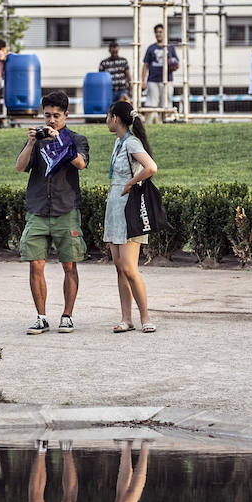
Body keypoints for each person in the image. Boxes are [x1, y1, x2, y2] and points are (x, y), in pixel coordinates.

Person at [15, 89, 90, 335]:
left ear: (66, 115)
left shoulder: (76, 139)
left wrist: (59, 141)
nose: (51, 121)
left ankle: (67, 316)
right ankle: (41, 317)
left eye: (56, 115)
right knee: (35, 265)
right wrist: (30, 143)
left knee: (69, 265)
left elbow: (81, 163)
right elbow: (19, 167)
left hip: (66, 209)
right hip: (38, 210)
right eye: (47, 115)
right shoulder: (37, 138)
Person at [105, 100, 158, 333]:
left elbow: (151, 167)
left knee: (129, 267)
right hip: (115, 208)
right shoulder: (119, 142)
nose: (106, 120)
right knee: (119, 266)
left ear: (115, 118)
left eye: (108, 116)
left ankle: (145, 317)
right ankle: (126, 318)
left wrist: (131, 183)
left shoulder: (132, 143)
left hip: (129, 208)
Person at [141, 24, 179, 121]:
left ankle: (166, 121)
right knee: (151, 103)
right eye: (157, 32)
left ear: (164, 33)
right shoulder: (151, 48)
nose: (159, 34)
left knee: (166, 102)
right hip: (153, 79)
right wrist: (143, 80)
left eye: (160, 32)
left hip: (167, 79)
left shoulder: (170, 47)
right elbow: (145, 65)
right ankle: (150, 122)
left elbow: (176, 63)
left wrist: (174, 66)